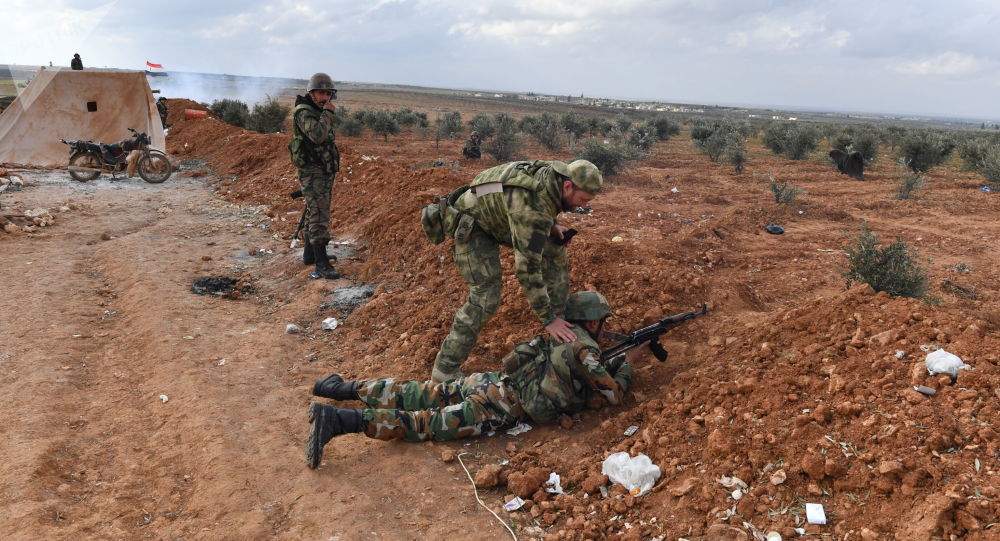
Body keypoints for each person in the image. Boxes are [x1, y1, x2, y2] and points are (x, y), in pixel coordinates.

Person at [305, 291, 645, 468]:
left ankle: (337, 388)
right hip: (498, 407)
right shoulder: (585, 351)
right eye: (602, 320)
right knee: (427, 423)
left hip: (491, 382)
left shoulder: (563, 334)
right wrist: (628, 364)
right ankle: (338, 420)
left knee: (422, 392)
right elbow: (612, 395)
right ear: (593, 321)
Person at [423, 159, 603, 383]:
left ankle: (561, 338)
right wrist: (547, 319)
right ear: (568, 186)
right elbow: (527, 268)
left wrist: (552, 224)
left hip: (500, 214)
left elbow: (536, 205)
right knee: (486, 296)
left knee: (554, 246)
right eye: (582, 200)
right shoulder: (532, 209)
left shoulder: (554, 175)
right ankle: (444, 372)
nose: (580, 206)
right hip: (472, 225)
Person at [289, 72, 341, 279]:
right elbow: (318, 136)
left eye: (328, 93)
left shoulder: (317, 110)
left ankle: (310, 255)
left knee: (313, 212)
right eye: (321, 92)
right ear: (312, 93)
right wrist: (328, 114)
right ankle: (321, 263)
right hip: (312, 171)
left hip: (322, 170)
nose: (325, 96)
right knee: (319, 215)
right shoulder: (305, 112)